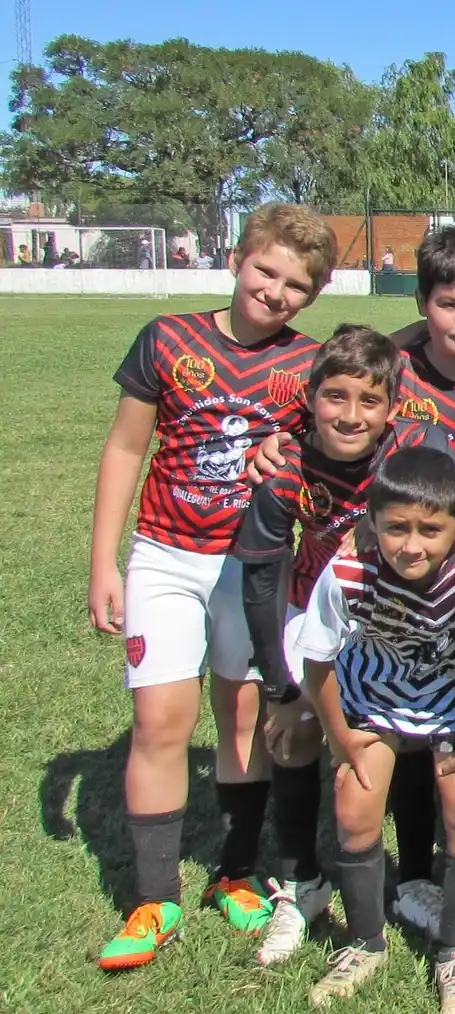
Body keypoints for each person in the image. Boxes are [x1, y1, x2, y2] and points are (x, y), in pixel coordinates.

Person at [90, 203, 336, 970]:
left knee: (242, 719)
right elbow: (127, 448)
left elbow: (338, 430)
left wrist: (288, 446)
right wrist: (104, 560)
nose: (275, 292)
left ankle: (232, 871)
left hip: (253, 568)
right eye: (267, 271)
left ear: (312, 296)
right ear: (237, 259)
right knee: (161, 719)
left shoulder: (309, 365)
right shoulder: (168, 339)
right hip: (165, 556)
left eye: (297, 285)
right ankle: (155, 896)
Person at [233, 325, 455, 966]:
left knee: (409, 724)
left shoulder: (421, 449)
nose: (351, 416)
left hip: (401, 610)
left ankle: (411, 880)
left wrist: (383, 537)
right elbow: (263, 575)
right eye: (335, 397)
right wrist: (279, 687)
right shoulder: (284, 466)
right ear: (311, 397)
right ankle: (304, 884)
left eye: (369, 401)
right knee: (292, 733)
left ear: (393, 407)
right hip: (317, 604)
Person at [293, 446, 455, 1014]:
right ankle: (365, 942)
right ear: (373, 523)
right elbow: (316, 661)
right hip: (373, 693)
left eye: (430, 529)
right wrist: (340, 736)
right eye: (396, 528)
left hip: (451, 699)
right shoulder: (348, 573)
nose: (411, 545)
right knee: (354, 809)